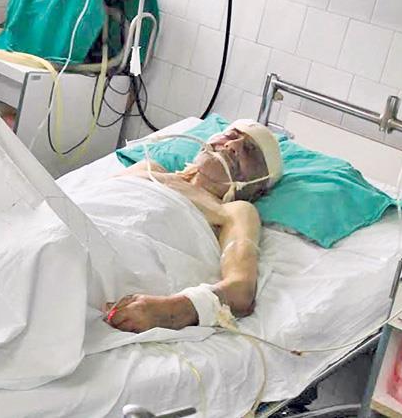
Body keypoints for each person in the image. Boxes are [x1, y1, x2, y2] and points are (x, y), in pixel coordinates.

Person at [102, 120, 283, 334]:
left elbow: (240, 290)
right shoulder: (147, 168)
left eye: (249, 151)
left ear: (257, 187)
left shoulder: (234, 210)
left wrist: (171, 311)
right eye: (231, 135)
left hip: (109, 261)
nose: (232, 145)